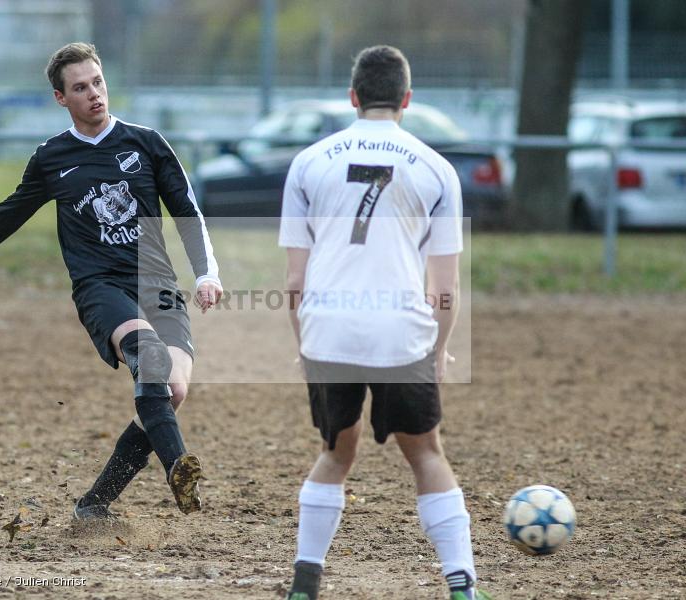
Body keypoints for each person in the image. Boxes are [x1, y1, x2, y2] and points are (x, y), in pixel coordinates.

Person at [0, 42, 222, 518]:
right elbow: (11, 211)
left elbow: (187, 210)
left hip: (157, 282)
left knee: (173, 390)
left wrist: (208, 272)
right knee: (149, 360)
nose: (94, 94)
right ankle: (179, 469)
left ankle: (95, 503)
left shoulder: (146, 143)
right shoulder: (52, 158)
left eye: (98, 82)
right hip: (100, 286)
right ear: (61, 98)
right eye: (81, 88)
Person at [279, 46, 490, 600]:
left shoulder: (308, 163)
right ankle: (462, 586)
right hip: (401, 333)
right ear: (407, 100)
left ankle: (305, 585)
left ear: (353, 98)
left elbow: (294, 284)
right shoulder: (438, 169)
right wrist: (440, 351)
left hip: (328, 329)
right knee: (425, 455)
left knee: (335, 453)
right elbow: (444, 289)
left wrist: (307, 346)